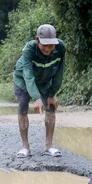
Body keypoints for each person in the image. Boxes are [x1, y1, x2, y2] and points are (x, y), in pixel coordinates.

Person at [13, 24, 66, 158]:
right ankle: (25, 147)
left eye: (51, 45)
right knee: (23, 104)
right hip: (23, 79)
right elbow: (28, 75)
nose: (48, 49)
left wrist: (52, 94)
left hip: (44, 79)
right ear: (37, 40)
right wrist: (36, 97)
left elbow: (59, 72)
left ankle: (49, 146)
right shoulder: (29, 49)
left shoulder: (60, 48)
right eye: (44, 45)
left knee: (51, 107)